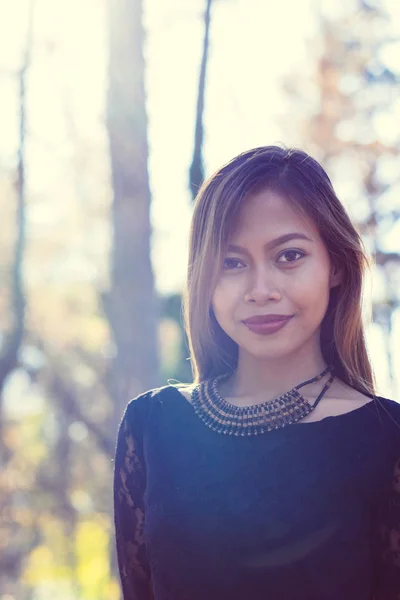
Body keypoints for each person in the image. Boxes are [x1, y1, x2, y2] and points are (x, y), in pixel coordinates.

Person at [113, 146, 400, 600]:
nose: (260, 290)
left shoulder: (389, 439)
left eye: (288, 256)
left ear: (337, 266)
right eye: (231, 263)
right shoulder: (152, 425)